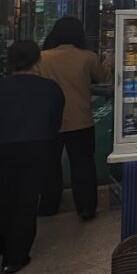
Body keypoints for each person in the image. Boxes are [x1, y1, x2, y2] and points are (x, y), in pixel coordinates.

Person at [0, 41, 64, 274]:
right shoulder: (49, 88)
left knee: (1, 196)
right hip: (35, 148)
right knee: (26, 199)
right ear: (37, 61)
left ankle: (6, 241)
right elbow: (55, 121)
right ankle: (15, 256)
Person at [38, 16, 111, 220]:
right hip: (80, 118)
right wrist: (109, 62)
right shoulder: (86, 57)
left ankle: (49, 205)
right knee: (83, 165)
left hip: (50, 120)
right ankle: (86, 207)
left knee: (50, 165)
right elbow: (103, 76)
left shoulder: (42, 58)